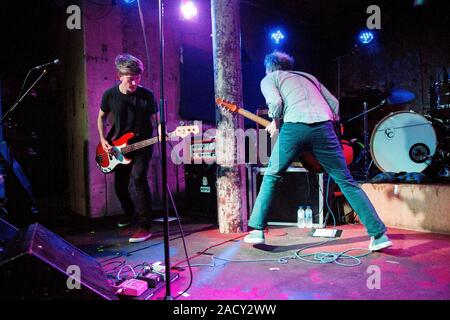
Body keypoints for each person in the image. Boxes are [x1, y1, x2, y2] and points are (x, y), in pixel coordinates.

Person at [244, 51, 392, 252]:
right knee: (346, 181)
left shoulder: (270, 78)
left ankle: (257, 229)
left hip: (294, 127)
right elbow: (335, 104)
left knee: (271, 175)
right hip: (325, 127)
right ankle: (378, 234)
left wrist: (275, 121)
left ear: (269, 67)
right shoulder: (308, 77)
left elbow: (276, 103)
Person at [97, 53, 157, 243]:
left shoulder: (147, 95)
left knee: (138, 178)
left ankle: (145, 226)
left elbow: (156, 120)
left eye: (137, 78)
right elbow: (101, 117)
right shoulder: (110, 95)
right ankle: (129, 212)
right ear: (119, 76)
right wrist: (103, 138)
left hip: (142, 144)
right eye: (131, 79)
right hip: (118, 146)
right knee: (120, 186)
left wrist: (162, 130)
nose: (134, 83)